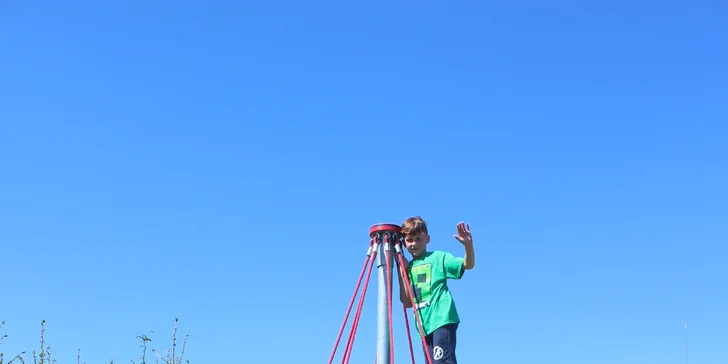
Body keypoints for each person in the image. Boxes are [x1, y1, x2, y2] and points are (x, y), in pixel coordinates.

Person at [397, 216, 475, 364]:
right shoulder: (407, 268)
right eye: (409, 240)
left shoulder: (438, 257)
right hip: (424, 327)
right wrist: (402, 273)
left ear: (427, 239)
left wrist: (468, 246)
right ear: (404, 242)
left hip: (441, 319)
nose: (414, 244)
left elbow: (467, 265)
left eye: (418, 239)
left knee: (442, 362)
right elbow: (407, 302)